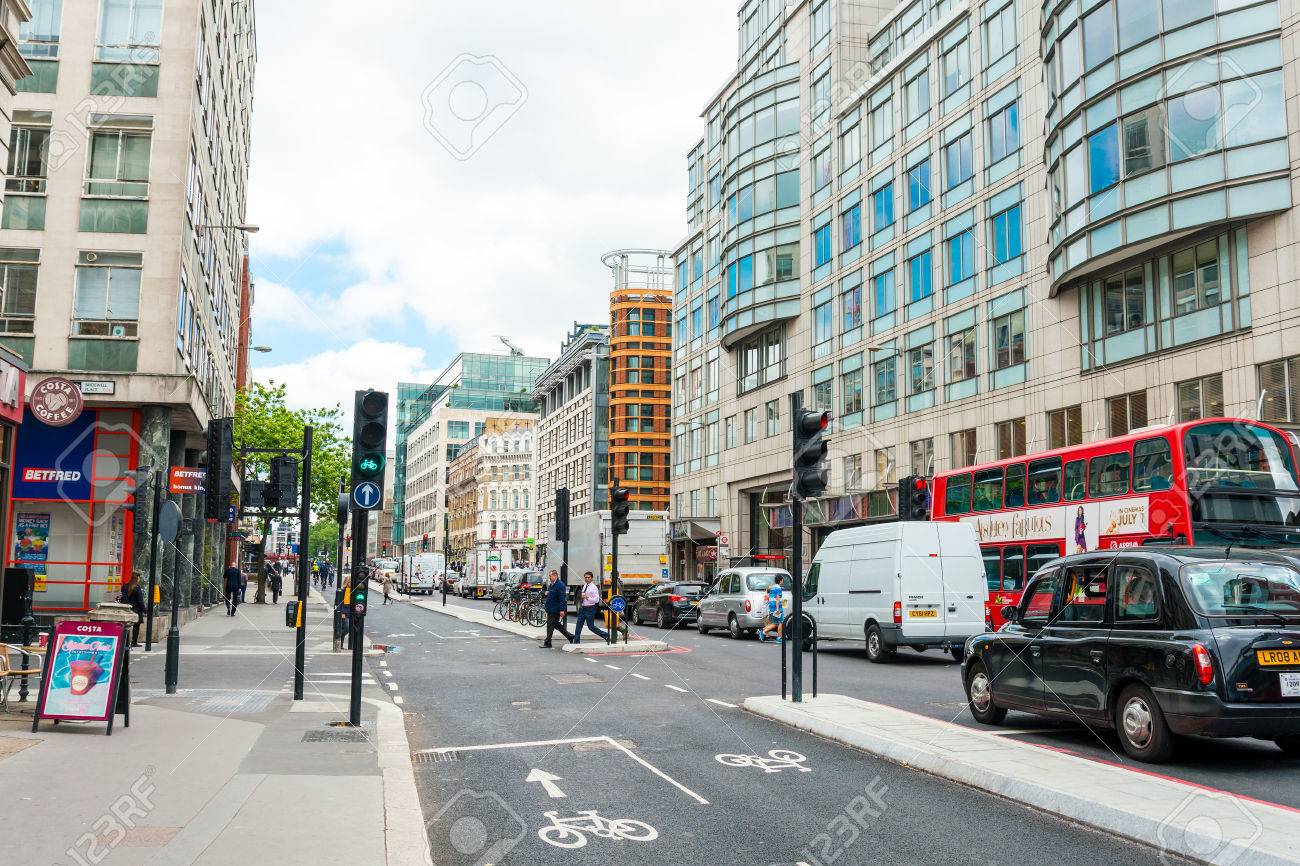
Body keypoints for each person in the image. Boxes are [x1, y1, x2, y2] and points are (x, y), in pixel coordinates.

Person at [572, 571, 608, 644]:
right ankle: (576, 641)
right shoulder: (585, 585)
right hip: (583, 608)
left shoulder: (594, 587)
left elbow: (597, 600)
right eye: (585, 577)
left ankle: (606, 635)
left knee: (591, 627)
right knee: (578, 625)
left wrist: (588, 598)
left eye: (588, 577)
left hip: (590, 608)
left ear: (592, 578)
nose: (587, 579)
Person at [541, 569, 573, 648]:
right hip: (551, 608)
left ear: (555, 576)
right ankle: (570, 637)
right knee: (556, 625)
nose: (549, 577)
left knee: (550, 626)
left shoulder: (560, 585)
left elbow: (562, 598)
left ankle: (548, 642)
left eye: (550, 576)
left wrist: (562, 610)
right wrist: (547, 593)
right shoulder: (552, 584)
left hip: (555, 609)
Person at [120, 571, 147, 647]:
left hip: (127, 609)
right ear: (137, 578)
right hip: (137, 610)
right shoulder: (137, 588)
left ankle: (124, 641)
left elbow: (123, 599)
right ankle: (134, 642)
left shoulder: (125, 586)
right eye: (139, 578)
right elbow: (140, 601)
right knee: (136, 626)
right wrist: (144, 610)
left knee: (126, 626)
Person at [761, 575, 786, 643]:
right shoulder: (778, 588)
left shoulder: (772, 588)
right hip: (777, 608)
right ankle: (779, 638)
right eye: (782, 580)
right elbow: (777, 599)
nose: (782, 582)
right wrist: (777, 609)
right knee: (781, 622)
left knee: (775, 623)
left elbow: (771, 598)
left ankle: (763, 631)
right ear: (780, 580)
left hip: (772, 608)